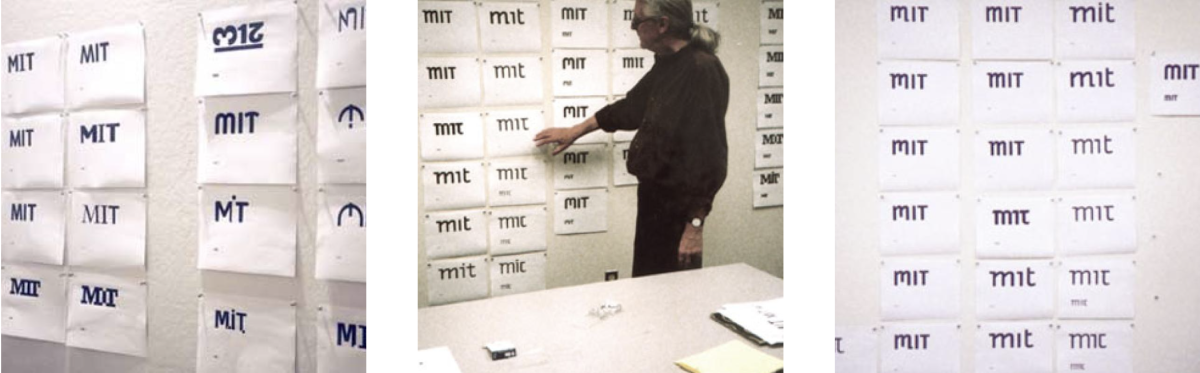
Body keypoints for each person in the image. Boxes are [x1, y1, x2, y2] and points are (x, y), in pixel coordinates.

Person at [534, 0, 729, 277]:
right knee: (647, 287)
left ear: (662, 25)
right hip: (653, 201)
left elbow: (711, 158)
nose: (632, 26)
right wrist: (575, 130)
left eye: (638, 20)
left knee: (674, 298)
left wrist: (694, 227)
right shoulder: (668, 63)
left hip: (679, 212)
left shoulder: (701, 69)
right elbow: (631, 108)